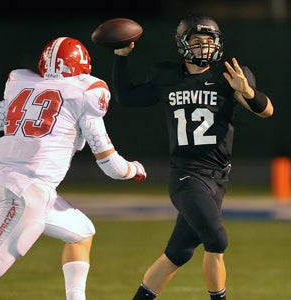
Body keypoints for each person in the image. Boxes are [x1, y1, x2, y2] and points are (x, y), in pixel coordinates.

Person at [0, 36, 146, 300]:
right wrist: (134, 168)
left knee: (82, 232)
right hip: (27, 194)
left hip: (15, 187)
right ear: (83, 67)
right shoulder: (84, 94)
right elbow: (111, 166)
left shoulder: (23, 90)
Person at [111, 14, 274, 299]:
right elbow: (126, 97)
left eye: (209, 40)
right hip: (186, 175)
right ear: (183, 44)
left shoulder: (230, 74)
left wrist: (247, 91)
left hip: (219, 177)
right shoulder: (167, 76)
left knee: (179, 252)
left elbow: (266, 110)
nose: (203, 47)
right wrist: (121, 57)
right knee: (217, 239)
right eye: (196, 41)